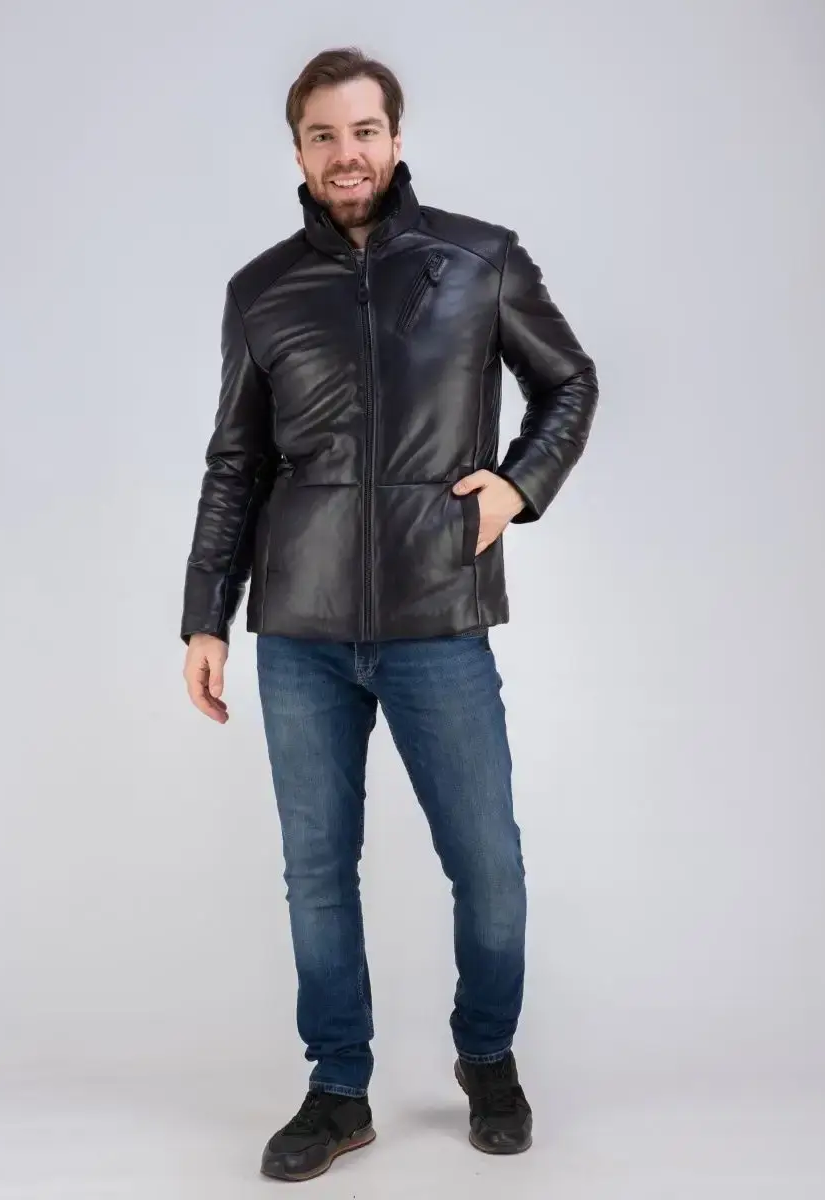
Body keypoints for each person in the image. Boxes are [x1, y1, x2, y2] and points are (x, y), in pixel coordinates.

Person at [181, 46, 598, 1182]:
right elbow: (235, 463)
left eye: (364, 130)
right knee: (317, 872)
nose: (346, 153)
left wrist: (519, 486)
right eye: (323, 135)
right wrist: (206, 615)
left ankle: (488, 1057)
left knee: (488, 864)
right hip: (300, 627)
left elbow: (569, 381)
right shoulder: (262, 291)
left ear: (397, 138)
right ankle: (338, 1088)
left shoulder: (479, 260)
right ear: (299, 152)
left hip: (437, 615)